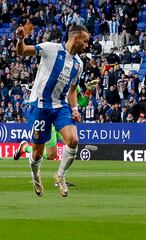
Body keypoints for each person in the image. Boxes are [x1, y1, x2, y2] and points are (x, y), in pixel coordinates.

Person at [15, 25, 90, 197]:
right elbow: (23, 51)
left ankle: (60, 175)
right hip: (40, 106)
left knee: (73, 140)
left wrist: (75, 109)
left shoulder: (78, 64)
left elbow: (72, 91)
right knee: (37, 153)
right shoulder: (51, 49)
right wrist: (20, 39)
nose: (87, 45)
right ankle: (35, 175)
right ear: (76, 39)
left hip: (60, 107)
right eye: (85, 41)